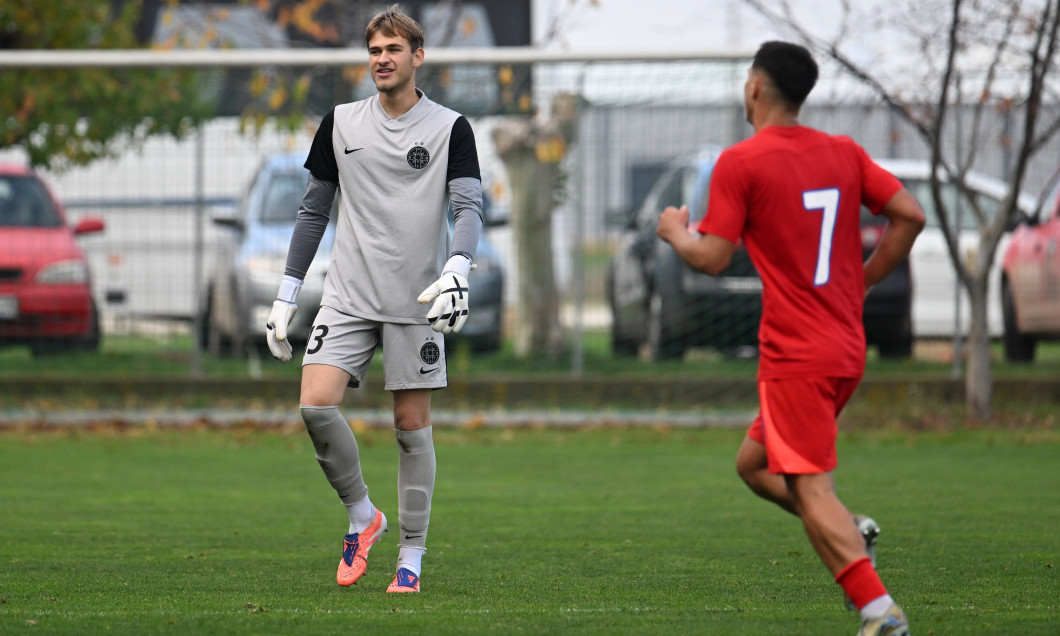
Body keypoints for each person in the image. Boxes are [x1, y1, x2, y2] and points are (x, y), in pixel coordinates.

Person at [656, 41, 925, 636]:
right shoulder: (844, 152)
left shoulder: (742, 162)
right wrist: (864, 281)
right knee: (754, 465)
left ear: (755, 88)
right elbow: (910, 214)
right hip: (844, 347)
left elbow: (710, 257)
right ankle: (850, 529)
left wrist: (675, 231)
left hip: (796, 353)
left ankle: (880, 612)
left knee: (809, 485)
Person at [265, 4, 484, 594]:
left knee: (411, 427)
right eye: (374, 51)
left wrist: (459, 266)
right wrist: (287, 295)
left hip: (418, 300)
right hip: (348, 295)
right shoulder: (339, 124)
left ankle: (411, 556)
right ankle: (364, 517)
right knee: (315, 404)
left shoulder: (451, 128)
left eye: (393, 50)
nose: (382, 60)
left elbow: (468, 207)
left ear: (417, 57)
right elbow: (313, 211)